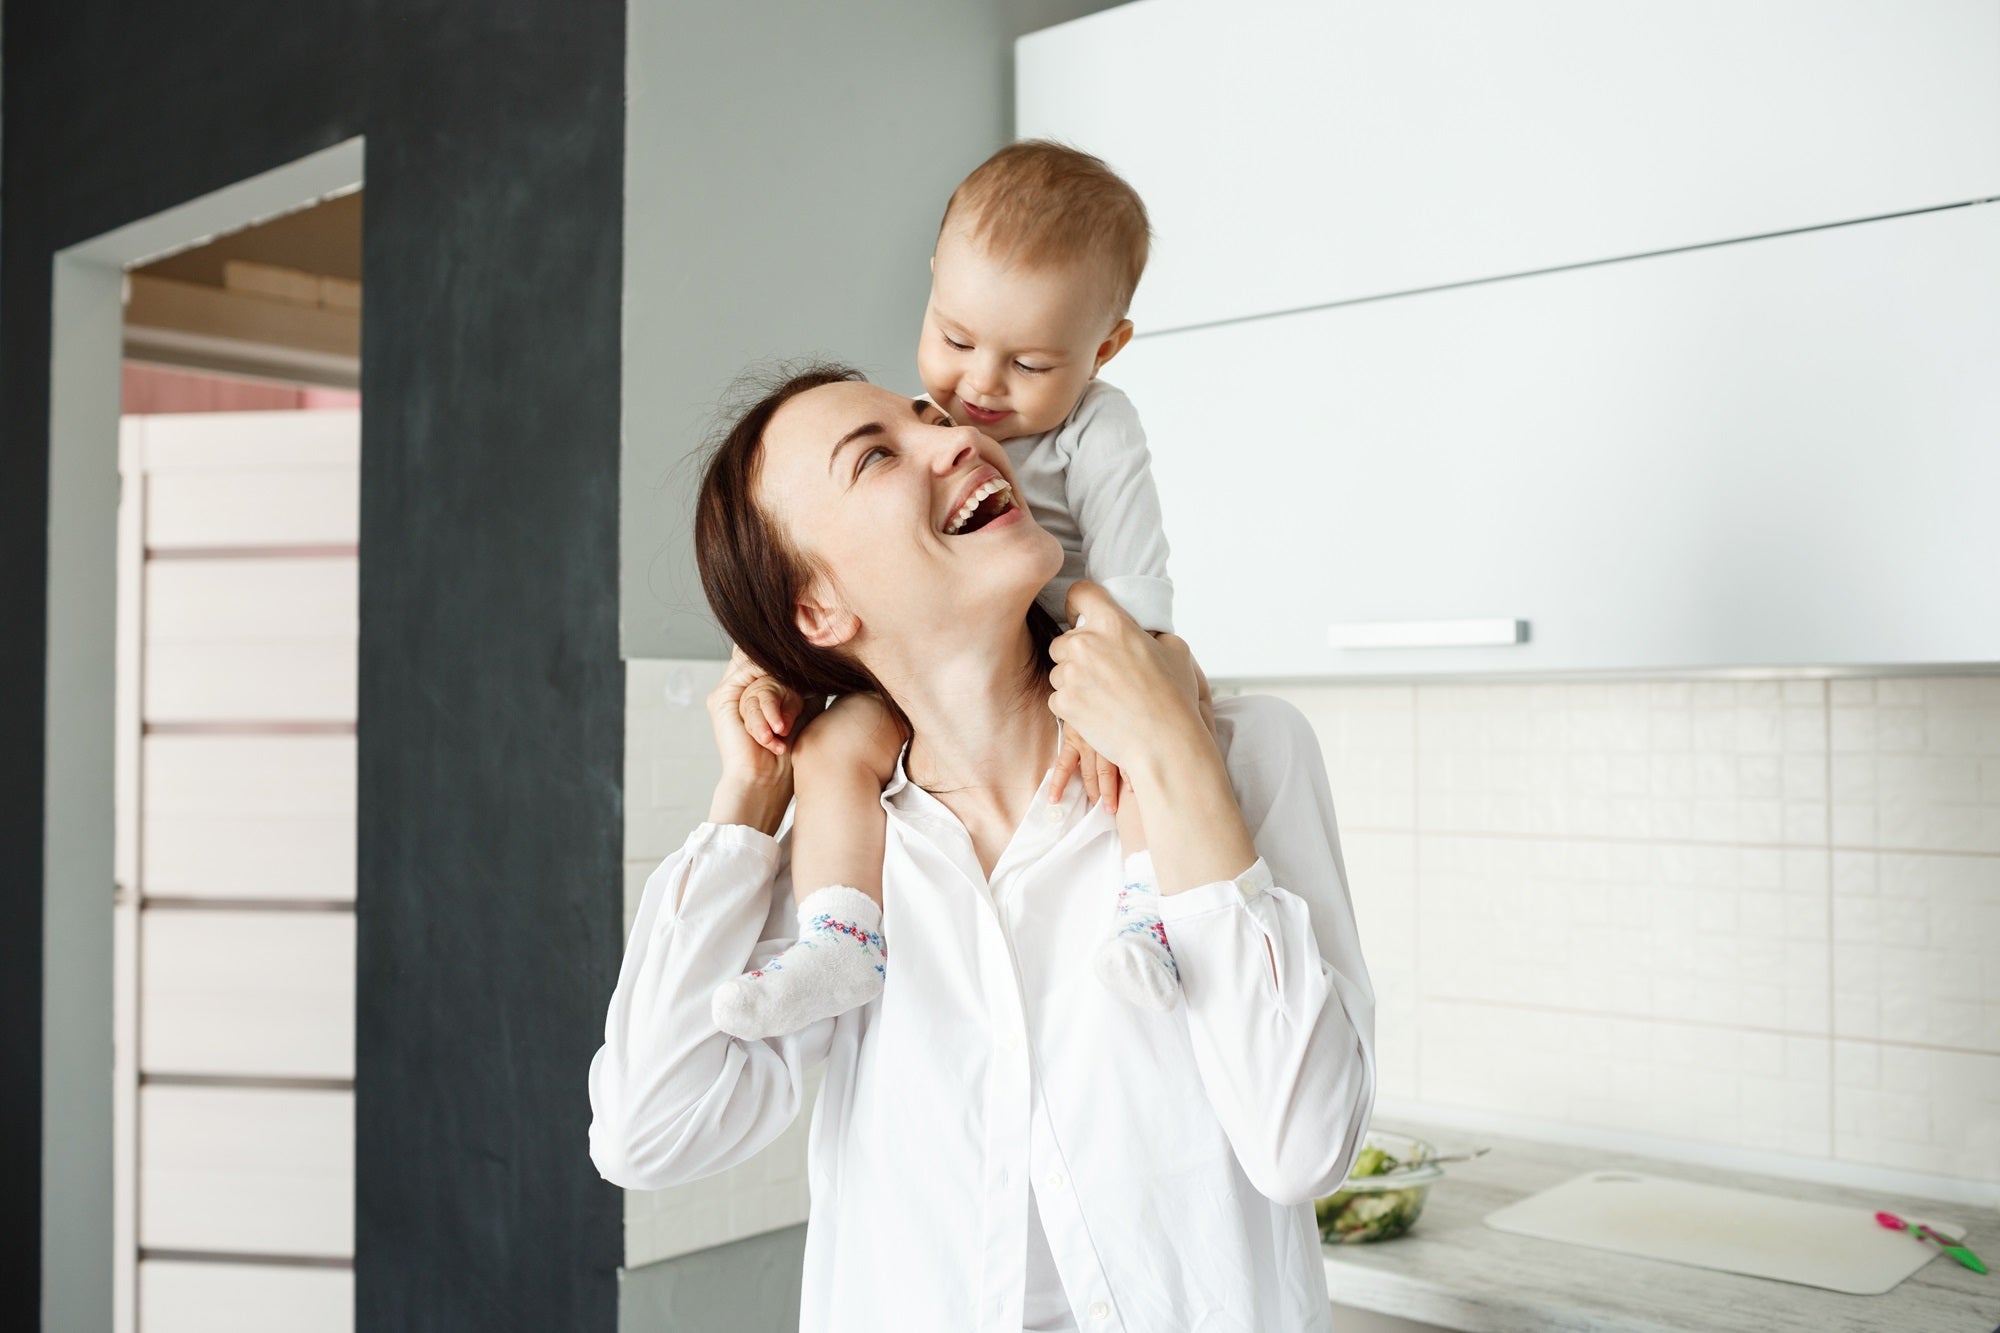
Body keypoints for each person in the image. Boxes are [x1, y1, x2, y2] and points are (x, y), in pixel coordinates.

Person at [589, 367, 1376, 1331]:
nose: (956, 436)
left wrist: (1171, 746)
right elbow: (647, 1131)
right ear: (819, 611)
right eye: (877, 454)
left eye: (927, 415)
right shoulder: (842, 869)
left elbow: (1304, 1142)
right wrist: (750, 797)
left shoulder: (1245, 755)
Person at [712, 141, 1184, 1043]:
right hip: (948, 669)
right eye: (956, 339)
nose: (977, 388)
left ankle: (1150, 908)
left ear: (1106, 347)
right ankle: (841, 932)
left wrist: (1117, 688)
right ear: (935, 285)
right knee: (837, 739)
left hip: (1079, 643)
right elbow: (805, 565)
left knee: (1174, 701)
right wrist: (763, 667)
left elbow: (1130, 576)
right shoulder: (928, 419)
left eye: (1031, 365)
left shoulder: (1101, 427)